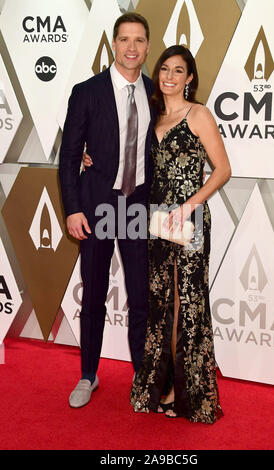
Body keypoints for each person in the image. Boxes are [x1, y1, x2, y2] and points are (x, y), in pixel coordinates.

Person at [83, 45, 231, 423]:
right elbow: (123, 147)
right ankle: (164, 385)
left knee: (188, 302)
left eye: (178, 71)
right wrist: (89, 153)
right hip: (155, 220)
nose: (169, 77)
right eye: (164, 69)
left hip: (189, 219)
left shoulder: (199, 115)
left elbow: (223, 170)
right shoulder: (153, 115)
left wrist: (190, 205)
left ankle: (186, 394)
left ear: (190, 78)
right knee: (161, 304)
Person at [59, 12, 155, 408]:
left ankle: (142, 378)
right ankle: (88, 375)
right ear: (113, 44)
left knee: (141, 298)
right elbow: (68, 157)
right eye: (124, 39)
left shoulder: (156, 91)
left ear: (147, 47)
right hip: (97, 205)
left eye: (139, 40)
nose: (131, 47)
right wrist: (72, 209)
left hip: (137, 207)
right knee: (94, 293)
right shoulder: (87, 91)